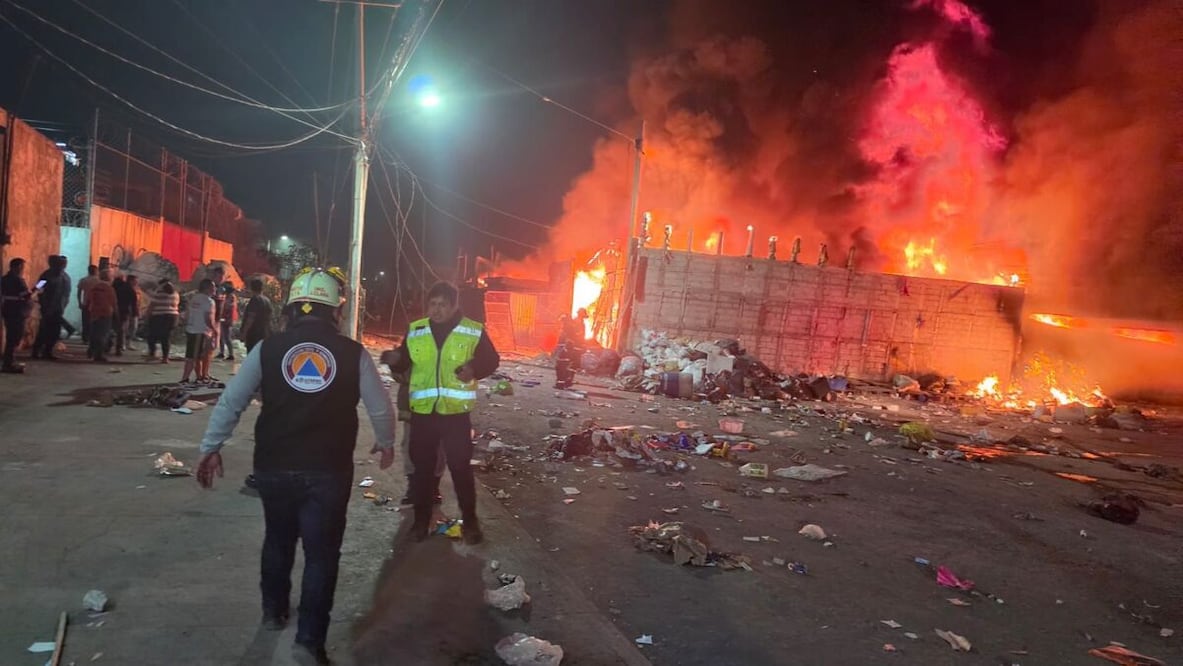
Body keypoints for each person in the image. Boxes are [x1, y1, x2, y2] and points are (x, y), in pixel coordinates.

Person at [195, 267, 396, 666]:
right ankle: (309, 641)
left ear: (290, 311)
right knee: (322, 555)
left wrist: (210, 447)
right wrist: (386, 442)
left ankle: (273, 613)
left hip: (274, 465)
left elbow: (231, 400)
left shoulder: (266, 350)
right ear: (334, 312)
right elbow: (379, 405)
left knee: (278, 539)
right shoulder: (352, 353)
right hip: (329, 469)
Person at [382, 281, 499, 544]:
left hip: (455, 415)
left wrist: (474, 368)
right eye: (432, 304)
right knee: (422, 472)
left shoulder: (473, 330)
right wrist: (394, 360)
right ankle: (420, 523)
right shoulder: (417, 330)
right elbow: (405, 359)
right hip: (423, 414)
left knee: (460, 470)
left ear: (454, 305)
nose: (436, 310)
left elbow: (492, 360)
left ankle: (470, 523)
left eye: (442, 305)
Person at [181, 279, 217, 386]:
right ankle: (185, 379)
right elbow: (208, 318)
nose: (215, 289)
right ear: (208, 288)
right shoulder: (209, 301)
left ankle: (199, 376)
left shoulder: (194, 298)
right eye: (213, 287)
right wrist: (215, 330)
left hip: (191, 329)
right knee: (194, 357)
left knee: (194, 356)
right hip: (200, 331)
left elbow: (187, 314)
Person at [1, 258, 34, 373]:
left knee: (11, 336)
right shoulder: (17, 280)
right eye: (22, 267)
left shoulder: (4, 279)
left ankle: (9, 361)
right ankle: (8, 362)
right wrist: (35, 290)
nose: (23, 270)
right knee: (15, 336)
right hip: (17, 310)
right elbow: (25, 295)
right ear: (18, 267)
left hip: (8, 309)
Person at [31, 255, 66, 360]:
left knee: (55, 331)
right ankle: (36, 351)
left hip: (57, 308)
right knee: (44, 330)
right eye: (59, 264)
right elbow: (37, 288)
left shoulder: (61, 276)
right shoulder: (46, 276)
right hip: (47, 308)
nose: (62, 266)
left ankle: (48, 351)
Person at [85, 269, 117, 363]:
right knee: (102, 334)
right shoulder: (109, 289)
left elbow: (88, 299)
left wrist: (39, 290)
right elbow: (114, 303)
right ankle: (98, 354)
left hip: (94, 312)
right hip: (105, 313)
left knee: (95, 333)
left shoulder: (94, 287)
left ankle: (92, 350)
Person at [145, 279, 180, 363]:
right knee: (166, 337)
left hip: (158, 316)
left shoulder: (159, 293)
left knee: (152, 335)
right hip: (172, 317)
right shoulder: (175, 294)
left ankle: (152, 354)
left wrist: (147, 316)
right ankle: (165, 358)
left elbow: (152, 305)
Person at [239, 278, 273, 353]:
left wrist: (244, 333)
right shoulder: (267, 300)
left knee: (251, 355)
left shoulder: (255, 300)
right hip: (264, 333)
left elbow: (250, 318)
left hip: (254, 333)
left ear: (251, 287)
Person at [77, 264, 99, 343]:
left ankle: (85, 338)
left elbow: (79, 292)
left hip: (86, 303)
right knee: (94, 321)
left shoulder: (83, 280)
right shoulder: (99, 281)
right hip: (96, 304)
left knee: (86, 322)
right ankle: (91, 337)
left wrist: (79, 302)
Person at [216, 281, 238, 360]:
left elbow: (230, 307)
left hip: (228, 318)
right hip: (224, 317)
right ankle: (222, 352)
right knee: (222, 336)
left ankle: (231, 354)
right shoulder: (226, 296)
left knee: (227, 337)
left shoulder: (231, 297)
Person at [58, 256, 77, 340]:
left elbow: (66, 291)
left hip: (59, 300)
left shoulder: (64, 277)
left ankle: (68, 329)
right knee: (55, 317)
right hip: (57, 300)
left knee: (55, 316)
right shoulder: (64, 276)